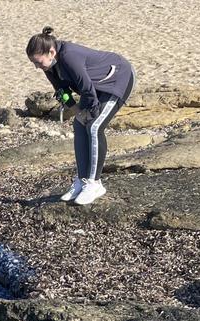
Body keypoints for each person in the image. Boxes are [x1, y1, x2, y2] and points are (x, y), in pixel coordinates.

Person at [27, 27, 135, 205]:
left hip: (118, 78)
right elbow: (61, 91)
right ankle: (82, 180)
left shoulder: (70, 56)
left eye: (39, 62)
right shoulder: (50, 65)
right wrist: (77, 111)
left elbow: (86, 88)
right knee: (79, 125)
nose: (37, 67)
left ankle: (95, 184)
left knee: (94, 127)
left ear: (51, 52)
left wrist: (91, 113)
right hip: (94, 87)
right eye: (34, 63)